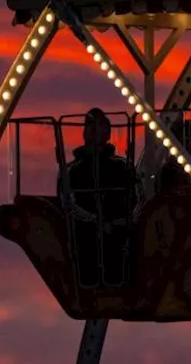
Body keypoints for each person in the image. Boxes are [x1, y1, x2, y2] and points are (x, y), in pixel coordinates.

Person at [63, 108, 136, 287]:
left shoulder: (122, 167)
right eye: (90, 127)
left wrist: (122, 222)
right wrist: (98, 222)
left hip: (118, 233)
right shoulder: (73, 170)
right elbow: (68, 203)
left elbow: (135, 197)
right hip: (86, 235)